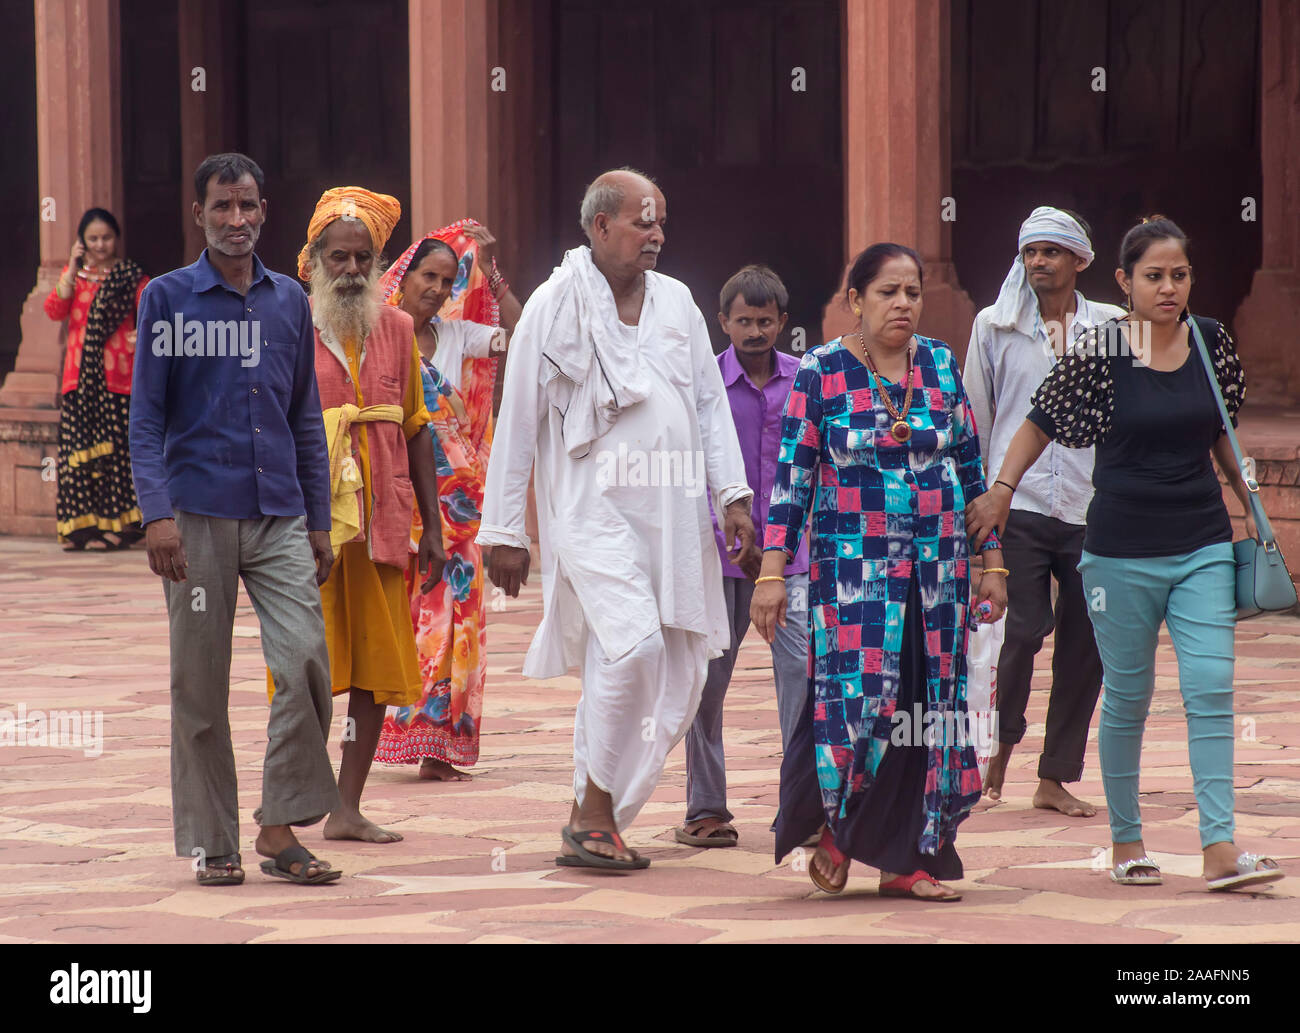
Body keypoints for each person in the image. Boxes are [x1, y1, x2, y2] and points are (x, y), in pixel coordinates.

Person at [967, 215, 1284, 892]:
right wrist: (1000, 492)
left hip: (1202, 543)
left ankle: (1220, 846)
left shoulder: (1210, 342)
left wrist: (1250, 503)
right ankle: (1126, 839)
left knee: (1209, 687)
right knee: (1129, 696)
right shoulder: (1100, 351)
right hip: (1118, 551)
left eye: (1180, 274)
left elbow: (1222, 430)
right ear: (1124, 282)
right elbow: (1038, 421)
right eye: (1154, 276)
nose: (1169, 287)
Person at [478, 168, 759, 870]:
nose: (657, 233)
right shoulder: (552, 304)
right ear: (600, 227)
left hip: (671, 512)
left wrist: (733, 494)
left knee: (676, 667)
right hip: (588, 510)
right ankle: (592, 812)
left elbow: (706, 405)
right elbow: (518, 418)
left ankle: (595, 810)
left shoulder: (679, 302)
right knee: (631, 646)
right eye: (642, 220)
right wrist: (504, 529)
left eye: (661, 221)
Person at [753, 243, 1007, 902]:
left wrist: (993, 561)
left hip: (938, 576)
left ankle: (912, 859)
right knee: (866, 704)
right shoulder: (823, 371)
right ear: (856, 299)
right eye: (888, 291)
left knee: (930, 709)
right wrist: (772, 571)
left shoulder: (942, 367)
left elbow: (972, 469)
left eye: (912, 292)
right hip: (856, 580)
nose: (902, 304)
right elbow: (792, 478)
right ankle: (837, 831)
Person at [131, 152, 342, 886]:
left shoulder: (290, 300)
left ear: (263, 211)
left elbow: (305, 417)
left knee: (308, 659)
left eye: (248, 205)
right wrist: (156, 515)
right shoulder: (167, 298)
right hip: (195, 518)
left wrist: (319, 517)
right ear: (199, 215)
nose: (237, 220)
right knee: (200, 682)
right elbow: (146, 415)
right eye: (222, 207)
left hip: (279, 512)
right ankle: (213, 838)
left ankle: (278, 823)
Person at [282, 186, 446, 843]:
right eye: (339, 257)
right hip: (307, 530)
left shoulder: (400, 329)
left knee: (373, 674)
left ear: (379, 264)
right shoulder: (287, 325)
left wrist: (433, 526)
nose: (351, 270)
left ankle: (346, 805)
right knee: (304, 669)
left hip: (381, 525)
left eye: (362, 258)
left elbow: (416, 429)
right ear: (313, 260)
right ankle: (296, 799)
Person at [962, 206, 1124, 816]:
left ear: (1079, 260)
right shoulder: (993, 325)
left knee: (1086, 644)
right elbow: (976, 419)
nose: (1038, 263)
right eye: (1030, 252)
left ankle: (1054, 777)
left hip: (1091, 505)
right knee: (1020, 631)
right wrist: (976, 508)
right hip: (1018, 503)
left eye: (1051, 252)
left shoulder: (1112, 326)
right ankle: (999, 750)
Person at [374, 220, 521, 781]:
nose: (436, 289)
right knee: (411, 617)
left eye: (448, 279)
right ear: (404, 278)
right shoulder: (379, 335)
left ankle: (441, 743)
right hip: (401, 501)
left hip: (460, 506)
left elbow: (525, 334)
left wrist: (493, 267)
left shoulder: (460, 335)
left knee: (458, 618)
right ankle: (402, 730)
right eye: (427, 277)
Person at [676, 264, 811, 849]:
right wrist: (727, 532)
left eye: (765, 320)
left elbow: (817, 466)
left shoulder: (808, 379)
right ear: (721, 320)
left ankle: (804, 808)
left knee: (803, 678)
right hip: (718, 556)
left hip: (795, 559)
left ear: (783, 322)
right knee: (705, 686)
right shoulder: (700, 382)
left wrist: (778, 549)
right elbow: (690, 469)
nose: (754, 331)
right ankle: (706, 809)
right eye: (742, 320)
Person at [46, 208, 149, 550]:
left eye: (106, 237)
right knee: (75, 455)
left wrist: (142, 335)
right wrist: (72, 267)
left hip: (119, 378)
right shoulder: (75, 276)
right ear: (81, 241)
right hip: (79, 379)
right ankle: (81, 528)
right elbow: (54, 310)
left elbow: (153, 310)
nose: (100, 244)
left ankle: (123, 527)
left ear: (116, 238)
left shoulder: (130, 276)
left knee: (119, 455)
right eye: (93, 238)